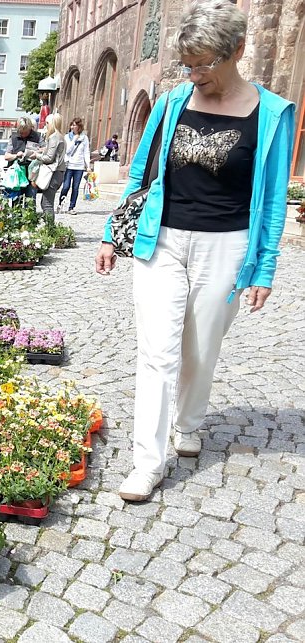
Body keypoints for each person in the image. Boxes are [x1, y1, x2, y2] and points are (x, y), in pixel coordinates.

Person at [95, 0, 295, 502]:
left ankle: (188, 423)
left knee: (201, 351)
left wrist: (264, 267)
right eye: (188, 64)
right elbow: (139, 172)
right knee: (157, 353)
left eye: (204, 64)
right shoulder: (171, 102)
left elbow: (271, 200)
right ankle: (147, 462)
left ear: (238, 51)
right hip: (161, 240)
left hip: (226, 246)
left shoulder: (271, 114)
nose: (194, 74)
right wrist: (110, 234)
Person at [28, 113, 66, 225]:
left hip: (53, 173)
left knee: (47, 203)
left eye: (47, 123)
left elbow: (50, 158)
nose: (46, 125)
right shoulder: (60, 136)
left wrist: (37, 155)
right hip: (58, 172)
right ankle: (49, 228)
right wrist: (43, 150)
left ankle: (49, 229)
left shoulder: (54, 137)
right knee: (46, 202)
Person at [4, 116, 42, 201]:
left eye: (26, 132)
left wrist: (37, 152)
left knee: (31, 200)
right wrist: (16, 155)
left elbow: (45, 149)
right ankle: (17, 214)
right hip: (17, 175)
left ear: (30, 128)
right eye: (21, 132)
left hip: (32, 173)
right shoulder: (13, 137)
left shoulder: (37, 136)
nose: (23, 135)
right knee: (16, 200)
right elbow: (6, 156)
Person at [59, 117, 91, 214]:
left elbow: (86, 152)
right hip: (69, 165)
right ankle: (60, 204)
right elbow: (67, 151)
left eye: (75, 125)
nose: (73, 127)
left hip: (79, 166)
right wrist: (74, 141)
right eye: (72, 125)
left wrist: (88, 165)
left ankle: (71, 207)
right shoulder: (66, 137)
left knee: (75, 187)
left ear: (79, 126)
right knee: (66, 186)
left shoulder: (84, 138)